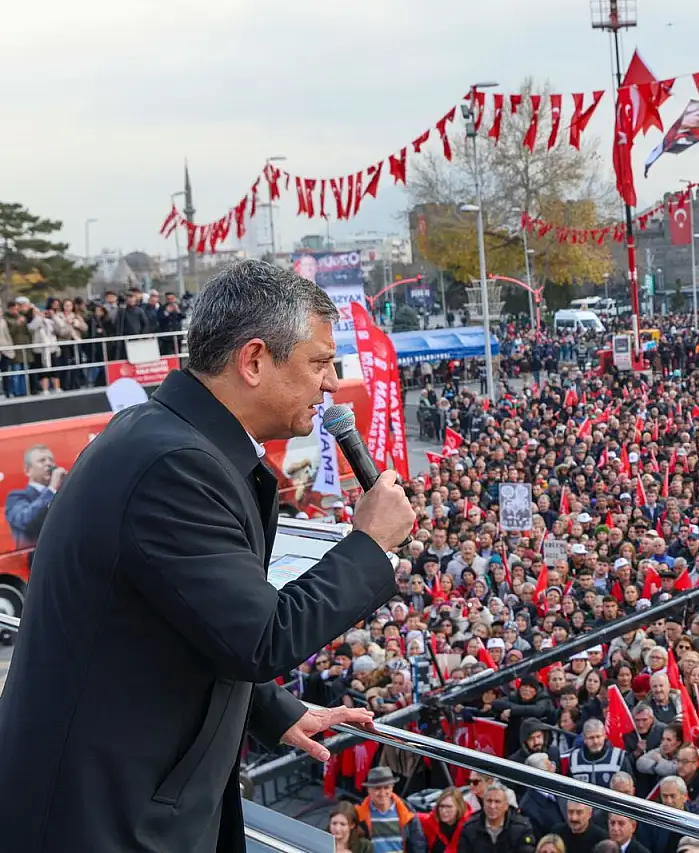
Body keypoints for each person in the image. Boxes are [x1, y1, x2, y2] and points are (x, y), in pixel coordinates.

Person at [0, 260, 417, 852]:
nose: (331, 383)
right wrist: (370, 545)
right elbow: (259, 637)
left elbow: (187, 620)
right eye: (319, 363)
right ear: (253, 361)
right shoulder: (175, 466)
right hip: (99, 818)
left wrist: (272, 709)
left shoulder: (164, 437)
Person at [354, 766, 428, 853]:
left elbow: (418, 843)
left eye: (386, 787)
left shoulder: (407, 810)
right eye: (377, 788)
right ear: (369, 790)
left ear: (392, 787)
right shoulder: (358, 813)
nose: (382, 793)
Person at [4, 443, 64, 548]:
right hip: (35, 560)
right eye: (42, 461)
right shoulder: (16, 497)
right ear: (28, 470)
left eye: (51, 460)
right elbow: (26, 520)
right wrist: (52, 488)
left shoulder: (59, 495)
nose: (49, 464)